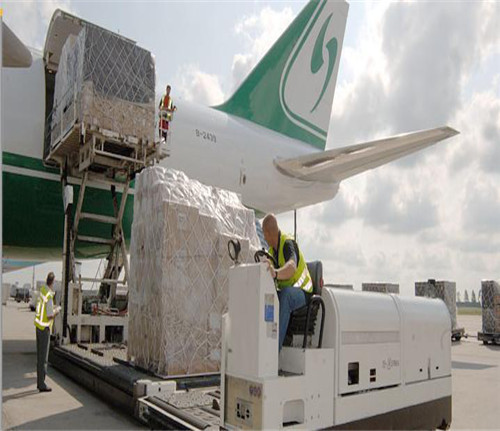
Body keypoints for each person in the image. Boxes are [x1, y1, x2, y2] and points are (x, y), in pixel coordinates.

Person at [262, 214, 313, 351]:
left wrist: (275, 273)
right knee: (267, 298)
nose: (264, 238)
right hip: (290, 291)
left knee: (285, 296)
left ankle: (273, 351)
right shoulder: (272, 251)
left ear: (268, 233)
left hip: (304, 292)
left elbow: (291, 266)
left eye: (264, 234)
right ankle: (263, 342)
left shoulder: (287, 243)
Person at [34, 272, 60, 392]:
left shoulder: (42, 291)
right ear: (52, 282)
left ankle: (39, 382)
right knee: (43, 358)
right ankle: (42, 384)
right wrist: (57, 311)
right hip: (44, 328)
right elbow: (49, 315)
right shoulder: (49, 296)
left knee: (39, 357)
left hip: (38, 327)